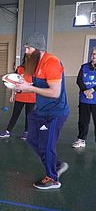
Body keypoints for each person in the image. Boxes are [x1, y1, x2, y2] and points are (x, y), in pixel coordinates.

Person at [15, 33, 69, 190]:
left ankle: (53, 179)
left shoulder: (51, 63)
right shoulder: (36, 64)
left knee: (47, 145)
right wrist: (21, 86)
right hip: (42, 111)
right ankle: (57, 165)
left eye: (29, 48)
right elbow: (34, 84)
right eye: (26, 48)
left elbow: (55, 93)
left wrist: (29, 88)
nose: (26, 51)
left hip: (56, 113)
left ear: (38, 49)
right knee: (32, 139)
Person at [0, 58, 36, 139]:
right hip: (20, 97)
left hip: (31, 97)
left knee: (28, 116)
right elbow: (14, 83)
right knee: (15, 115)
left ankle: (27, 132)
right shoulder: (19, 69)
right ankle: (8, 131)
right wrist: (13, 95)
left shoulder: (36, 70)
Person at [72, 46, 96, 148]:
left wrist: (92, 90)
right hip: (84, 99)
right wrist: (85, 90)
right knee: (83, 121)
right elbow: (79, 80)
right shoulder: (84, 67)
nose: (94, 56)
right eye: (93, 54)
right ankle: (81, 140)